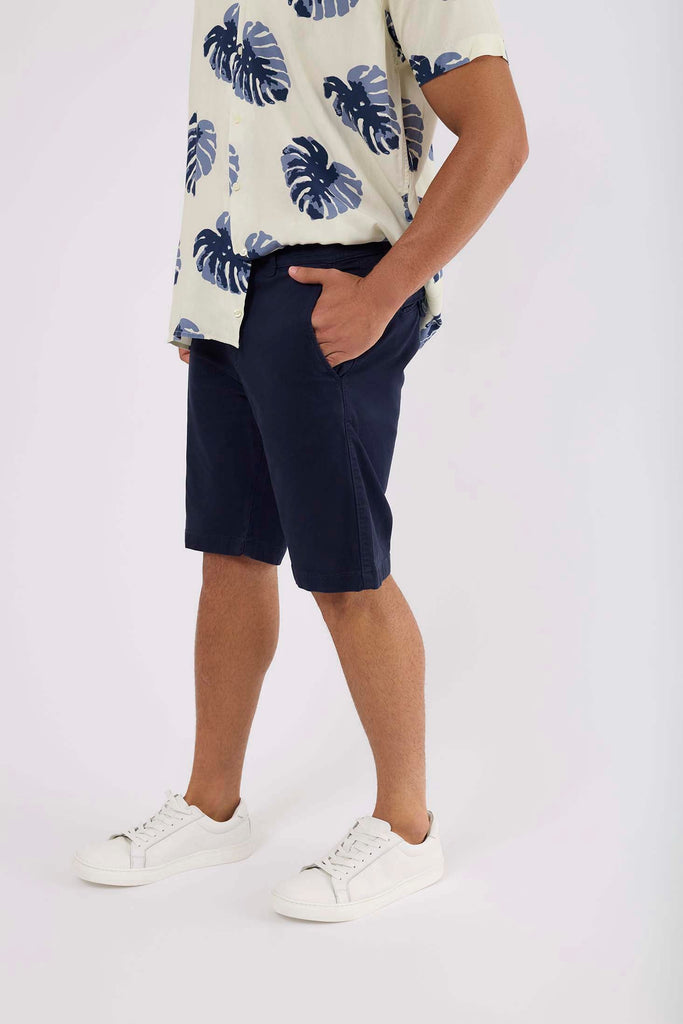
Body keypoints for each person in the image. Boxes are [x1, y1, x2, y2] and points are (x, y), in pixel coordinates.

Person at [74, 0, 527, 922]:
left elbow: (499, 135)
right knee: (232, 551)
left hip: (334, 277)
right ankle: (213, 807)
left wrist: (386, 291)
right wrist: (200, 292)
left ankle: (407, 829)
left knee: (345, 567)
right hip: (228, 283)